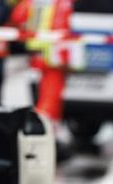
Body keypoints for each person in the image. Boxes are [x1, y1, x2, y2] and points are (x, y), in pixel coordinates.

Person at [11, 0, 76, 149]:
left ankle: (42, 129)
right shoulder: (62, 4)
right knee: (50, 97)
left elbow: (17, 16)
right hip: (53, 56)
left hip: (37, 53)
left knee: (41, 95)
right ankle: (45, 132)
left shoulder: (33, 2)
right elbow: (63, 29)